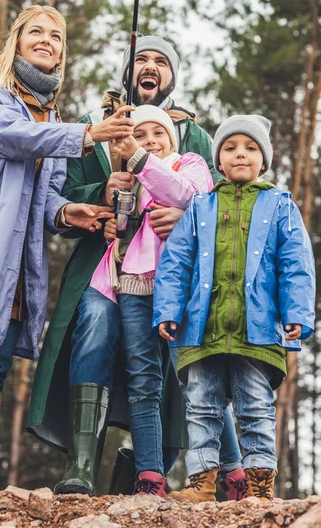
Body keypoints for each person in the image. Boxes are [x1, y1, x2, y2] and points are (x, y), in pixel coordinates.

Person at [0, 4, 134, 492]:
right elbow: (14, 137)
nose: (46, 40)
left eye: (55, 36)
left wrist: (67, 213)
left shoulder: (50, 113)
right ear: (15, 41)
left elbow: (47, 191)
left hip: (16, 258)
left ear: (62, 51)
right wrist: (89, 134)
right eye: (35, 32)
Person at [28, 35, 245, 501]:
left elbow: (214, 202)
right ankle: (82, 465)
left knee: (182, 364)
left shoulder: (195, 140)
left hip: (172, 274)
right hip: (104, 270)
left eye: (161, 61)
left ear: (172, 76)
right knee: (96, 329)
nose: (150, 66)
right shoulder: (93, 126)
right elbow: (63, 196)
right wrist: (101, 200)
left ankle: (162, 469)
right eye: (141, 59)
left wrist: (185, 219)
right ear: (127, 71)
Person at [153, 114, 316, 502]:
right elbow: (176, 263)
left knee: (256, 408)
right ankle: (202, 483)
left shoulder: (280, 206)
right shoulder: (200, 207)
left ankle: (260, 483)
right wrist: (169, 310)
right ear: (219, 162)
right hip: (202, 330)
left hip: (257, 330)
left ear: (264, 160)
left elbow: (297, 264)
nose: (240, 154)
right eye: (230, 148)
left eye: (250, 148)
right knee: (202, 408)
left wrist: (297, 313)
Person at [53, 105, 212, 496]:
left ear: (173, 137)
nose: (151, 141)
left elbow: (192, 194)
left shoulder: (188, 161)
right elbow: (117, 220)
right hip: (129, 283)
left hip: (179, 287)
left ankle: (228, 471)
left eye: (159, 133)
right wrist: (109, 207)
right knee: (144, 377)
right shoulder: (128, 179)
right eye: (140, 135)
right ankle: (148, 474)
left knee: (196, 373)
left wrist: (147, 167)